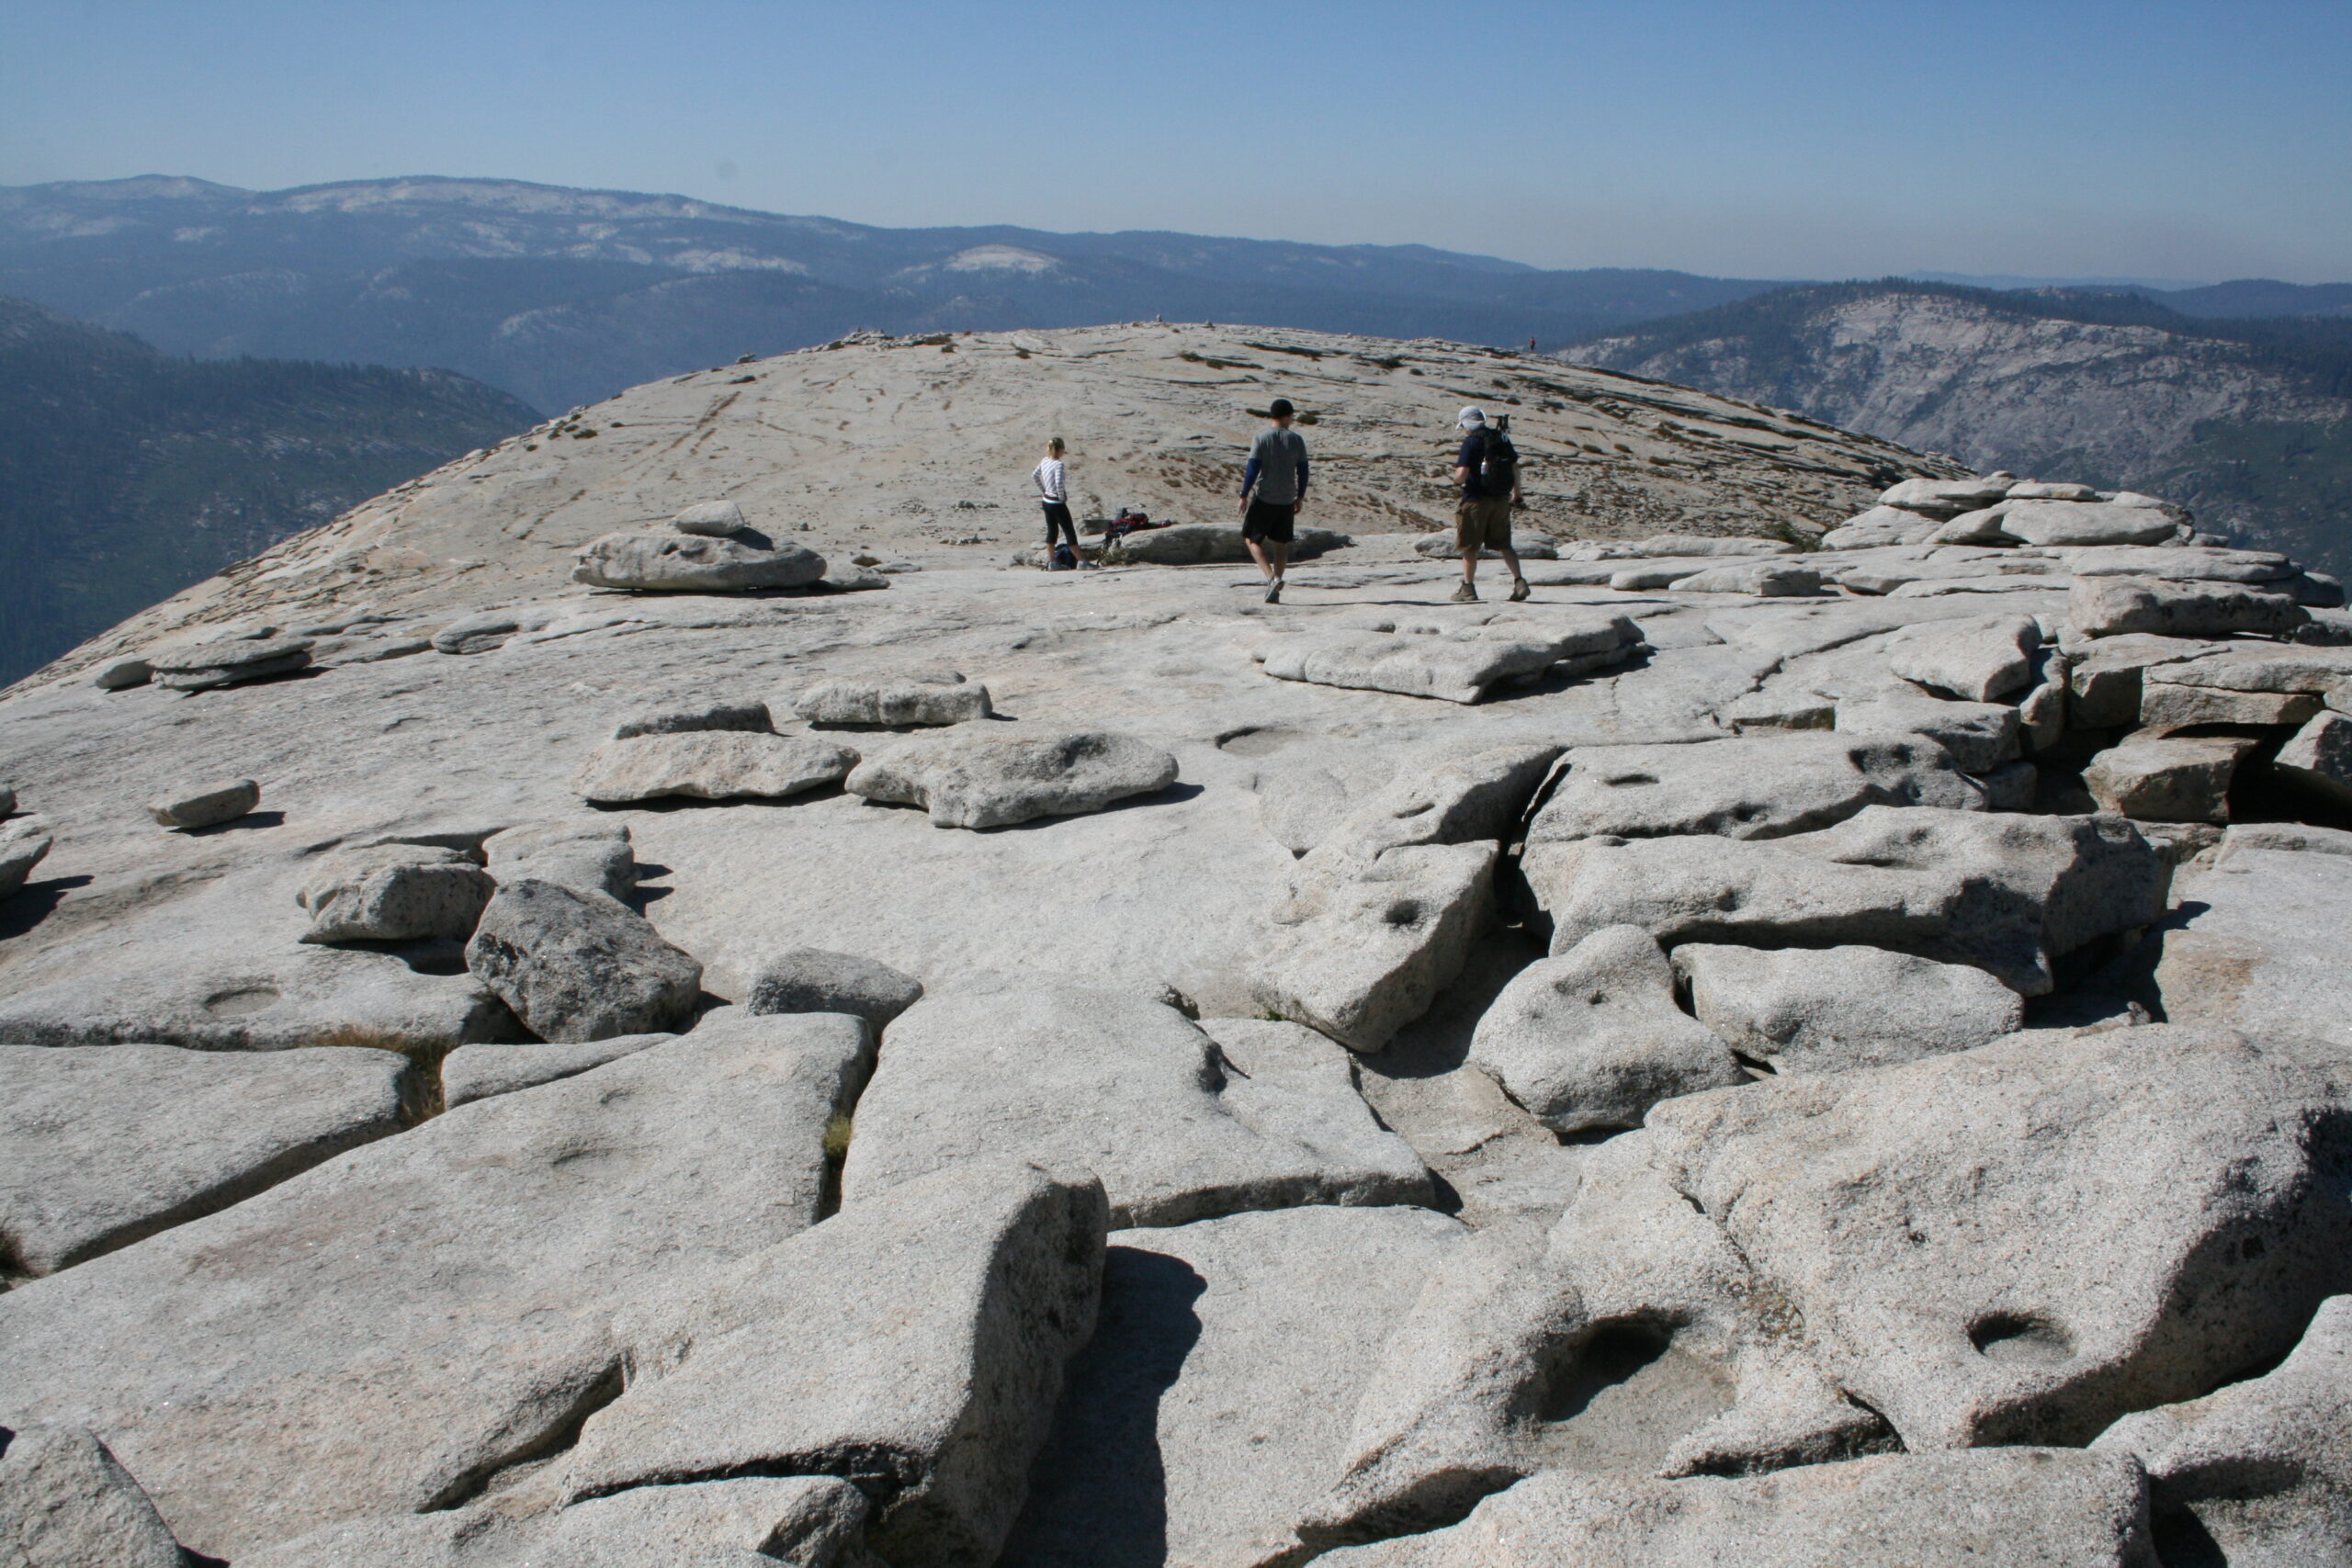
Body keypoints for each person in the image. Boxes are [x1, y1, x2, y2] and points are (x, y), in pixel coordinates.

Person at [1450, 406, 1528, 604]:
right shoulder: (1501, 438)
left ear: (1466, 423)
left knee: (1470, 546)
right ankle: (1519, 582)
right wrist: (1517, 495)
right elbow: (1515, 468)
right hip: (1501, 498)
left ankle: (1468, 588)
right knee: (1504, 545)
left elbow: (1462, 474)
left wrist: (1455, 483)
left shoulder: (1472, 442)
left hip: (1476, 499)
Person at [1237, 398, 1308, 604]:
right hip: (1286, 499)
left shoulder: (1261, 438)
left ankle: (1271, 578)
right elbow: (1303, 471)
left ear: (1272, 415)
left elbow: (1252, 470)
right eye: (1292, 416)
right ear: (1287, 416)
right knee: (1281, 543)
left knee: (1251, 538)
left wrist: (1243, 495)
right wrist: (1300, 496)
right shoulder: (1297, 440)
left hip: (1265, 497)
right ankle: (1277, 582)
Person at [1033, 437, 1080, 568]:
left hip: (1046, 500)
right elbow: (1059, 482)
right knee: (1069, 531)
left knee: (1052, 531)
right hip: (1056, 503)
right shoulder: (1058, 464)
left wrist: (1044, 490)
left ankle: (1052, 561)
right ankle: (1081, 561)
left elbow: (1035, 476)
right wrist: (1061, 497)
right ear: (1060, 450)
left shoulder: (1044, 461)